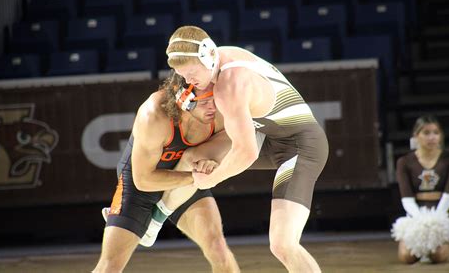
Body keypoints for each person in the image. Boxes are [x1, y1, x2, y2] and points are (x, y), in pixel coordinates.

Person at [162, 25, 329, 273]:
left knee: (283, 244)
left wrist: (212, 178)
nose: (188, 81)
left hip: (301, 146)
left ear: (207, 58)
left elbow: (246, 153)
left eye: (191, 73)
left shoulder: (230, 84)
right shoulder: (222, 55)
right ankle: (156, 216)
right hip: (269, 136)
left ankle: (155, 213)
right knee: (194, 157)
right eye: (182, 74)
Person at [92, 73, 240, 273]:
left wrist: (209, 160)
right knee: (109, 267)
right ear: (184, 101)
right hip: (141, 186)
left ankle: (160, 213)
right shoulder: (154, 115)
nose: (213, 107)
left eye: (215, 99)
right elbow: (143, 180)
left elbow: (233, 140)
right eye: (205, 102)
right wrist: (196, 177)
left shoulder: (219, 113)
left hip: (185, 180)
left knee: (218, 250)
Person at [393, 115, 449, 264]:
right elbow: (406, 198)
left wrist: (434, 221)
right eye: (426, 133)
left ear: (441, 135)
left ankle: (436, 248)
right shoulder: (404, 162)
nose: (432, 137)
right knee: (406, 257)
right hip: (415, 215)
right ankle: (421, 250)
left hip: (442, 213)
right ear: (416, 136)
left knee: (439, 257)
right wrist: (421, 222)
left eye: (436, 133)